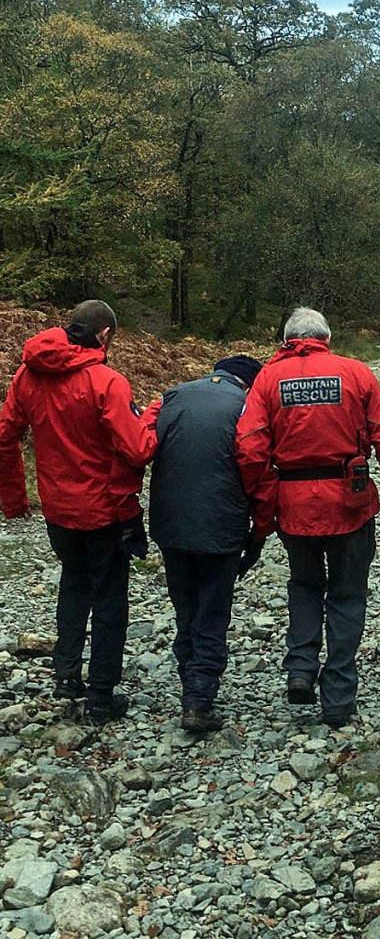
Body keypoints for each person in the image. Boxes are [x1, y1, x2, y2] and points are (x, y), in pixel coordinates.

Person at [235, 307, 380, 728]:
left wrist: (264, 507)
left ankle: (300, 669)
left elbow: (250, 448)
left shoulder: (268, 379)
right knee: (348, 595)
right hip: (350, 502)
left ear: (287, 338)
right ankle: (338, 698)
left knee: (305, 584)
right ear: (326, 337)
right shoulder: (355, 373)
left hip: (294, 505)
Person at [0, 300, 158, 723]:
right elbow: (139, 450)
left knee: (73, 583)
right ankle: (102, 696)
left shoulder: (26, 375)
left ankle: (67, 674)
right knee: (109, 597)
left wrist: (16, 501)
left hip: (57, 508)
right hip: (103, 510)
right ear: (105, 335)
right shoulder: (106, 381)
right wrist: (152, 420)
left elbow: (5, 436)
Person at [148, 355, 263, 734]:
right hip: (222, 525)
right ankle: (199, 699)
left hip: (171, 525)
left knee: (186, 609)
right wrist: (259, 532)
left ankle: (189, 685)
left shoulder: (173, 396)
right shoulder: (246, 406)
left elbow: (141, 448)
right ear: (248, 383)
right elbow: (256, 466)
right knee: (213, 612)